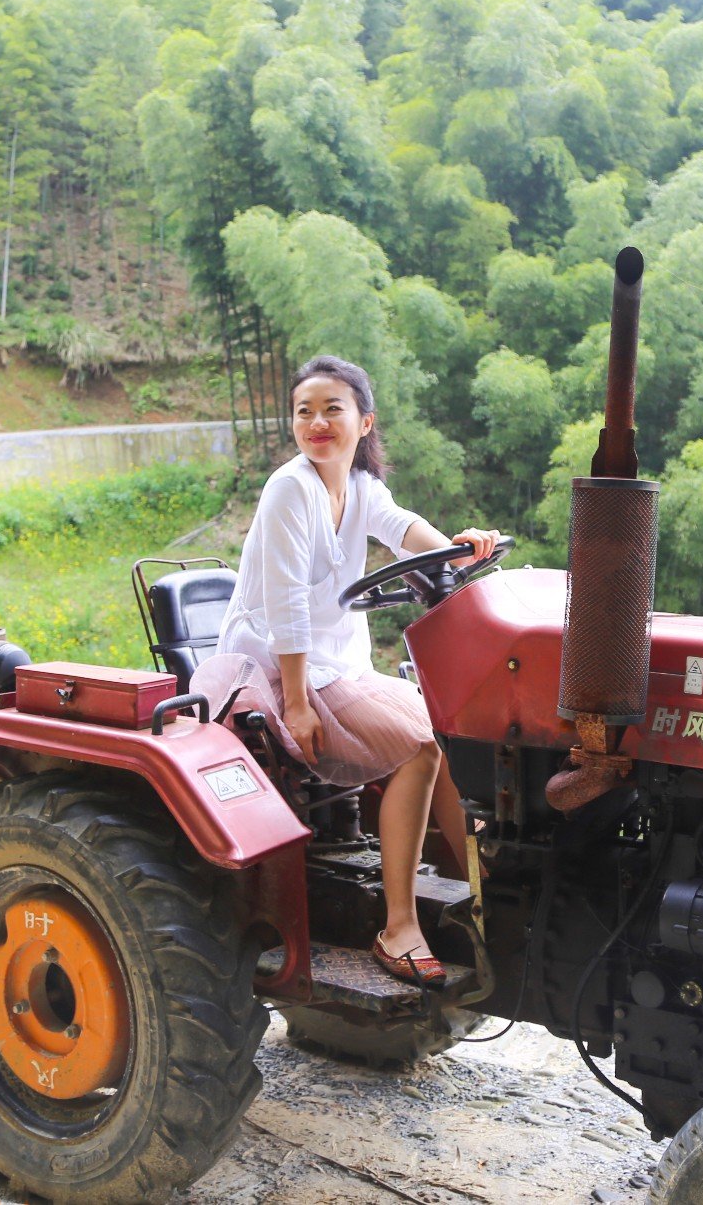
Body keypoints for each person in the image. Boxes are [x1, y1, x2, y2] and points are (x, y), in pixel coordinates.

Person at [191, 355, 500, 988]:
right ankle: (398, 927)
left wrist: (455, 548)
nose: (317, 422)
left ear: (365, 422)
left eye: (333, 409)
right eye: (304, 411)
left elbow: (401, 528)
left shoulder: (360, 486)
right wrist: (297, 702)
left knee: (447, 729)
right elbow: (286, 602)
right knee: (418, 746)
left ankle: (487, 888)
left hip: (337, 665)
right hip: (276, 668)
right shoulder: (290, 488)